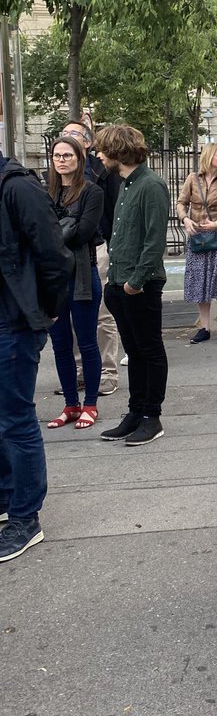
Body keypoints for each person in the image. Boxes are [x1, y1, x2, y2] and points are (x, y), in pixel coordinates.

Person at [0, 148, 73, 563]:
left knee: (15, 419)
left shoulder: (19, 187)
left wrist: (42, 313)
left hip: (13, 324)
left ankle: (26, 519)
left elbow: (54, 257)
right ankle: (6, 498)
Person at [95, 125, 170, 447]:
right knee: (135, 352)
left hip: (140, 285)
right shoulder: (125, 185)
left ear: (117, 151)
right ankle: (135, 412)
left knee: (150, 351)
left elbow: (154, 241)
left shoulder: (151, 185)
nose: (98, 155)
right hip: (119, 282)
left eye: (102, 150)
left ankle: (151, 416)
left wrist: (134, 283)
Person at [45, 136, 105, 430]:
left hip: (82, 275)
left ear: (79, 159)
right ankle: (70, 404)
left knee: (87, 341)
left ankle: (90, 404)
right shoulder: (47, 192)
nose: (61, 160)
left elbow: (84, 233)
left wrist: (51, 236)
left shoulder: (91, 192)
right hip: (54, 279)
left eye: (67, 155)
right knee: (59, 344)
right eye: (57, 155)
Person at [58, 120, 121, 394]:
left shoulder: (101, 172)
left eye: (73, 135)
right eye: (63, 135)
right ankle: (79, 372)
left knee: (102, 314)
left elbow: (115, 211)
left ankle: (107, 372)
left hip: (96, 248)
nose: (66, 141)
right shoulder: (55, 178)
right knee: (71, 317)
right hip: (64, 255)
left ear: (87, 142)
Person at [176, 143, 217, 345]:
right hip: (197, 236)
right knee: (200, 281)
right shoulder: (193, 179)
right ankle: (204, 327)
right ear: (210, 156)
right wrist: (185, 219)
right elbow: (181, 202)